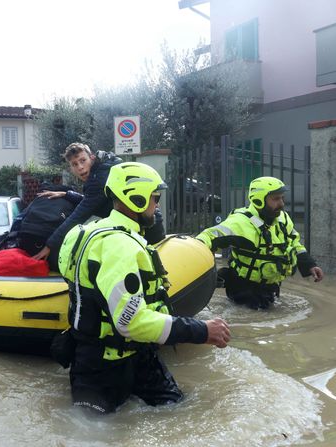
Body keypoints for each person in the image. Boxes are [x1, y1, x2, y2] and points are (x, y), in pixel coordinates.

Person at [58, 162, 230, 414]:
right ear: (135, 198)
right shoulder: (121, 247)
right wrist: (201, 330)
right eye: (154, 197)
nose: (157, 205)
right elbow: (130, 321)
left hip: (133, 356)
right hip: (104, 369)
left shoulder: (82, 233)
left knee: (181, 410)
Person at [196, 176, 323, 309]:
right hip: (243, 290)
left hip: (270, 288)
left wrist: (309, 265)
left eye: (282, 198)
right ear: (258, 200)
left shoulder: (282, 218)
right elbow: (208, 236)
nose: (281, 203)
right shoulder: (240, 222)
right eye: (275, 199)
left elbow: (294, 243)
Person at [32, 142, 165, 266]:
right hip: (148, 226)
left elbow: (78, 216)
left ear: (92, 158)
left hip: (147, 231)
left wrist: (49, 245)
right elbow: (92, 202)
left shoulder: (98, 179)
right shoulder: (102, 170)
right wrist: (67, 194)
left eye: (83, 160)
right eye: (74, 164)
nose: (80, 167)